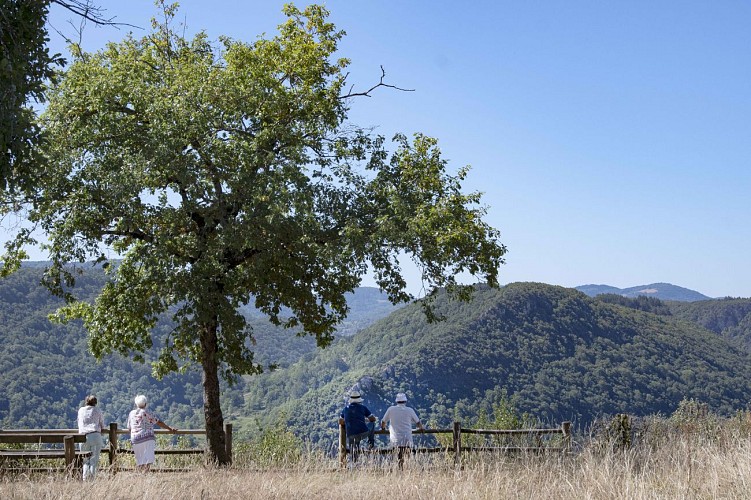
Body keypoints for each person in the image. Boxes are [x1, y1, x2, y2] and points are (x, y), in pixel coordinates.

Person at [127, 394, 178, 472]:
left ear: (136, 404)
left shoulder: (131, 413)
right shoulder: (147, 412)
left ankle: (140, 477)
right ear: (145, 404)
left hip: (135, 439)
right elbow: (158, 422)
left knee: (140, 460)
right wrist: (169, 428)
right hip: (147, 438)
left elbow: (129, 427)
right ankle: (145, 476)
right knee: (147, 461)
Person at [381, 392, 423, 468]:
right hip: (407, 439)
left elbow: (383, 421)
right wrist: (421, 428)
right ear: (405, 401)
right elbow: (418, 422)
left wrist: (383, 429)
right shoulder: (410, 410)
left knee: (397, 458)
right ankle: (407, 473)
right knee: (407, 459)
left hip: (395, 440)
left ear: (396, 401)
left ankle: (399, 473)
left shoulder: (391, 409)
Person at [338, 390, 376, 463]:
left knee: (353, 450)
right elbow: (372, 419)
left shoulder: (345, 409)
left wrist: (350, 421)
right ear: (359, 400)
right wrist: (364, 420)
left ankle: (354, 465)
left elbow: (340, 421)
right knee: (372, 424)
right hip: (363, 432)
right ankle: (371, 444)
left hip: (351, 434)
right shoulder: (363, 407)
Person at [77, 395, 106, 480]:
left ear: (86, 402)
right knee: (93, 461)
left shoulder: (81, 410)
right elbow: (102, 424)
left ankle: (85, 480)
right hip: (95, 435)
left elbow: (79, 422)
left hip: (83, 437)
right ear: (95, 403)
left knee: (85, 461)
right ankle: (92, 481)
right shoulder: (98, 410)